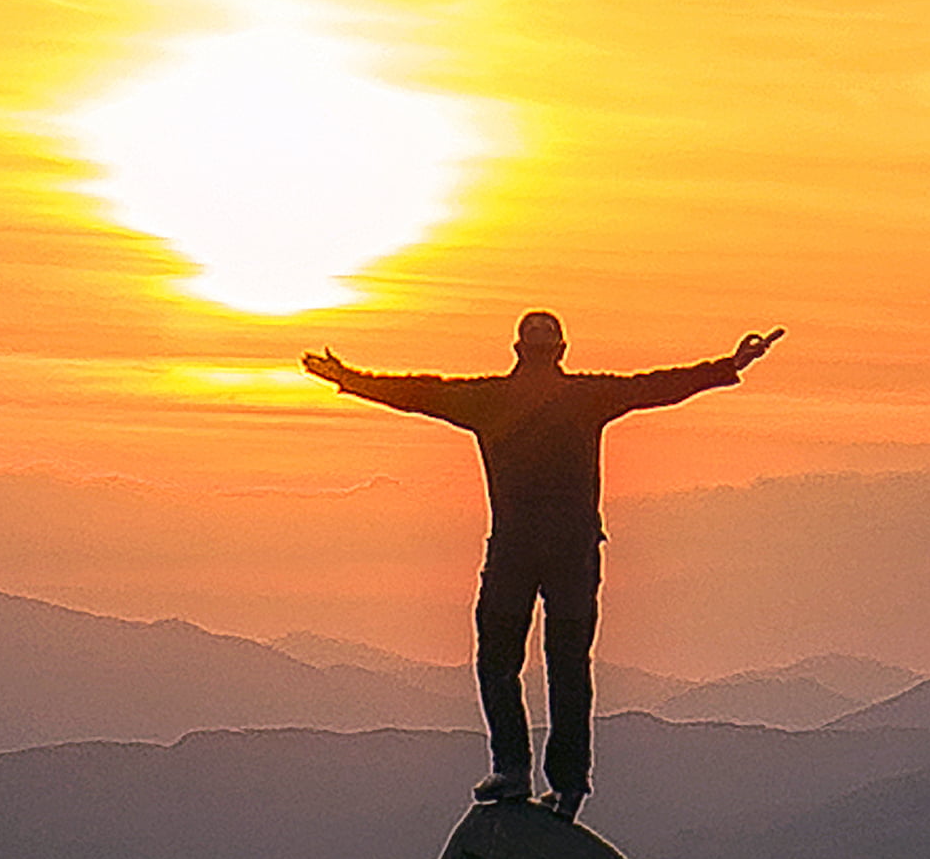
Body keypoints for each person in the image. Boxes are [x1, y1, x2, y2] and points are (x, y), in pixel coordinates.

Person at [300, 310, 784, 815]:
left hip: (515, 552)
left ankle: (512, 770)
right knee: (568, 668)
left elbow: (420, 393)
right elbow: (656, 386)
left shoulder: (490, 399)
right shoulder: (583, 397)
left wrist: (350, 380)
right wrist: (731, 364)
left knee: (498, 663)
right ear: (562, 350)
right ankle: (568, 784)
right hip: (573, 554)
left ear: (516, 349)